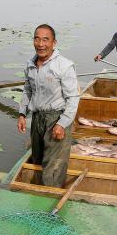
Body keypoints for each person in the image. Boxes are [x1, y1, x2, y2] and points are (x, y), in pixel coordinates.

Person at [18, 24, 79, 188]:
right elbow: (28, 90)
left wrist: (62, 124)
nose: (41, 44)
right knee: (37, 162)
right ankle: (38, 195)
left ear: (54, 43)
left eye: (46, 39)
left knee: (52, 171)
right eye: (37, 39)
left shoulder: (64, 66)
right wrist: (22, 114)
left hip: (56, 118)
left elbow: (73, 99)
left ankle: (50, 207)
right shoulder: (30, 64)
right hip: (37, 119)